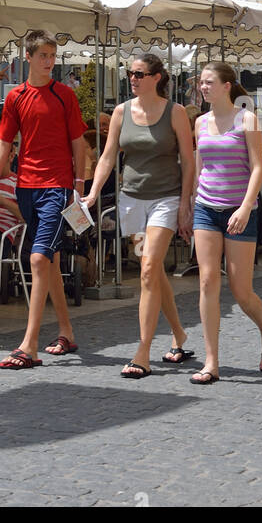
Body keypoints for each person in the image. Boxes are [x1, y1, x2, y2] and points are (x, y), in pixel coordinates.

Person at [85, 55, 195, 378]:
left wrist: (186, 202)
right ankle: (179, 334)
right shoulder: (121, 112)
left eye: (139, 74)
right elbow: (107, 157)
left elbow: (188, 162)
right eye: (129, 73)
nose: (132, 78)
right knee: (154, 270)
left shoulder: (174, 113)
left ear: (157, 77)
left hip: (165, 198)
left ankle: (142, 352)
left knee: (147, 268)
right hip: (131, 199)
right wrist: (93, 192)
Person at [0, 29, 86, 369]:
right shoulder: (16, 97)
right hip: (26, 188)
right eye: (43, 55)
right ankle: (66, 332)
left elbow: (79, 142)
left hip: (57, 186)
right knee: (51, 262)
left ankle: (28, 345)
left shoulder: (65, 96)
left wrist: (78, 183)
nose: (49, 61)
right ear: (28, 58)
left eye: (52, 55)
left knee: (36, 260)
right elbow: (4, 141)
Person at [190, 62, 262, 384]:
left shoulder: (247, 119)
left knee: (241, 291)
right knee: (206, 282)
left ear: (227, 86)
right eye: (201, 82)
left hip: (240, 210)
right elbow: (200, 166)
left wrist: (245, 207)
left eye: (209, 82)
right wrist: (190, 205)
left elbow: (258, 168)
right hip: (206, 208)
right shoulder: (200, 123)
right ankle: (211, 361)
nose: (203, 87)